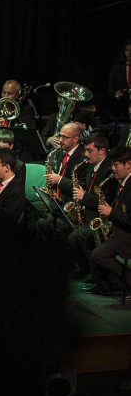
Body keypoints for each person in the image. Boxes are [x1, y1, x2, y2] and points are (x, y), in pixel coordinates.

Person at [86, 146, 131, 301]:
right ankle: (107, 282)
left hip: (127, 235)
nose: (112, 169)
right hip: (119, 228)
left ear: (128, 164)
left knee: (98, 255)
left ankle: (128, 280)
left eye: (116, 165)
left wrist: (110, 213)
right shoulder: (124, 181)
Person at [70, 133, 112, 281]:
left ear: (102, 151)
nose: (85, 154)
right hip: (87, 212)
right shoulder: (91, 166)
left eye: (89, 151)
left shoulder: (109, 170)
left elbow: (108, 201)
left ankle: (94, 273)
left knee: (76, 237)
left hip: (100, 217)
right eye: (85, 150)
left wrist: (84, 197)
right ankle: (83, 268)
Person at [0, 80, 37, 148]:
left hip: (14, 150)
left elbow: (31, 133)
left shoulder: (26, 110)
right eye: (4, 92)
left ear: (18, 94)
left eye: (10, 93)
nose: (5, 96)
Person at [105, 38, 131, 121]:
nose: (129, 53)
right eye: (127, 50)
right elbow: (110, 89)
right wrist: (116, 93)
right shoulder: (116, 68)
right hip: (122, 107)